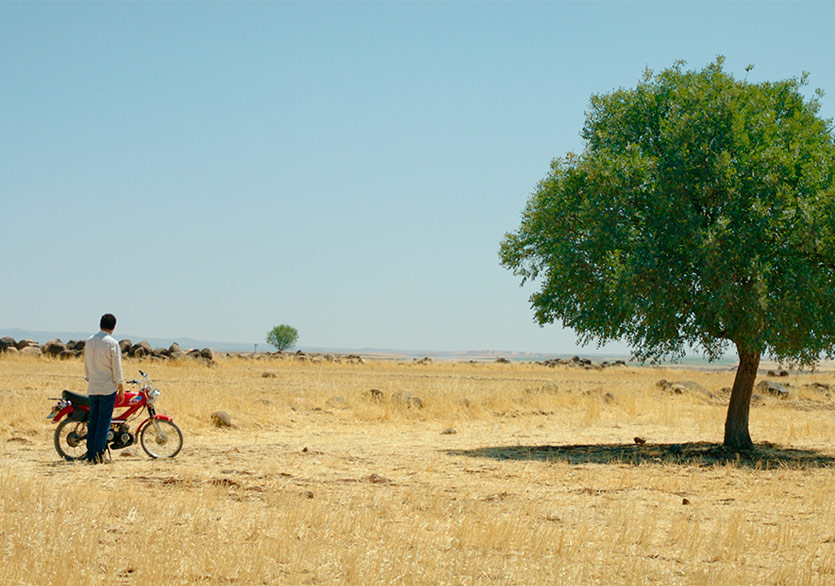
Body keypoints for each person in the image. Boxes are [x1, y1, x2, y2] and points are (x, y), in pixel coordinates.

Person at [83, 313, 125, 463]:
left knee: (93, 421)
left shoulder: (89, 341)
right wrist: (121, 387)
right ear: (113, 327)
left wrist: (89, 378)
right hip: (108, 388)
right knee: (104, 422)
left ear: (100, 324)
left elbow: (86, 365)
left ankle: (90, 453)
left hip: (93, 387)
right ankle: (99, 454)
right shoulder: (112, 343)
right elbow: (117, 368)